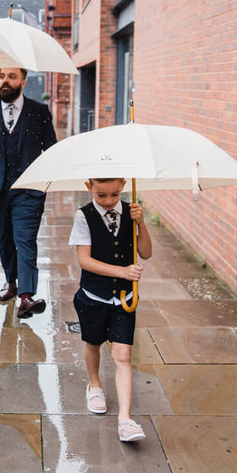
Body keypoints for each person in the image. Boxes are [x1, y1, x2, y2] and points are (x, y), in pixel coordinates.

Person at [68, 177, 153, 443]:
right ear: (88, 186)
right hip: (93, 297)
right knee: (92, 343)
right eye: (101, 194)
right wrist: (122, 271)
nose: (108, 201)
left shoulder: (131, 212)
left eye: (115, 194)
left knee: (123, 355)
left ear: (124, 185)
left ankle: (125, 419)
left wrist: (141, 223)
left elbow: (146, 253)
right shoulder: (83, 216)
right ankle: (94, 384)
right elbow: (84, 260)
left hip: (125, 300)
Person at [0, 67, 57, 318]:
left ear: (23, 80)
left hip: (29, 189)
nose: (5, 81)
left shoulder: (39, 111)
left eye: (11, 76)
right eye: (2, 76)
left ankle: (27, 296)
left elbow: (50, 147)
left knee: (25, 240)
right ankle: (11, 282)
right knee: (5, 240)